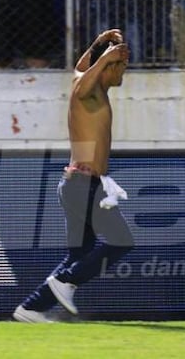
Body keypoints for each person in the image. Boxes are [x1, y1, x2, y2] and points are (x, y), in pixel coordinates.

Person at [13, 28, 134, 323]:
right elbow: (84, 83)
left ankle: (29, 309)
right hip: (83, 185)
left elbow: (81, 68)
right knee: (120, 241)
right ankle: (67, 282)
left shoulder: (87, 82)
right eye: (122, 66)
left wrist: (97, 45)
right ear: (109, 66)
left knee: (80, 253)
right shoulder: (87, 92)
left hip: (75, 184)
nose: (124, 73)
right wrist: (105, 56)